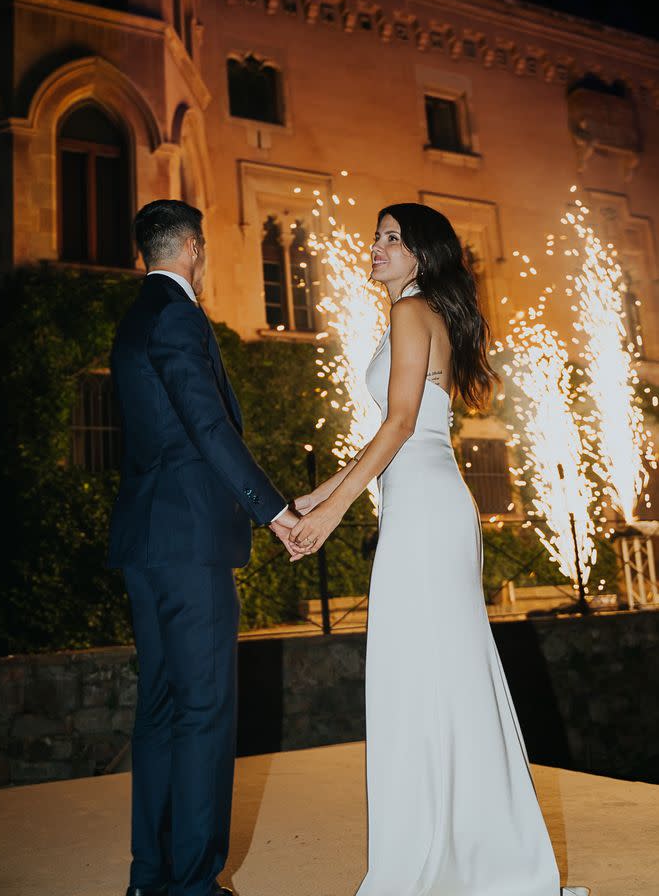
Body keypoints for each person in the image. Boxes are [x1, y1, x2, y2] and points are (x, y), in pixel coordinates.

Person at [289, 203, 589, 896]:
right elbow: (404, 431)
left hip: (423, 507)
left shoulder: (410, 311)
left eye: (390, 238)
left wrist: (331, 512)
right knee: (435, 676)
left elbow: (398, 425)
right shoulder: (416, 313)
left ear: (421, 254)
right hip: (422, 497)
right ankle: (468, 846)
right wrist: (312, 499)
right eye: (375, 236)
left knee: (424, 675)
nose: (374, 246)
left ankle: (453, 852)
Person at [108, 199, 298, 896]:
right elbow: (209, 428)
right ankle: (191, 885)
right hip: (188, 546)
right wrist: (274, 511)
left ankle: (149, 878)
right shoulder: (179, 316)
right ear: (193, 247)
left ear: (145, 251)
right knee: (204, 712)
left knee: (159, 711)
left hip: (144, 542)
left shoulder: (134, 318)